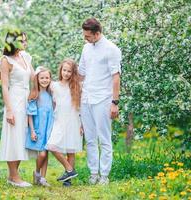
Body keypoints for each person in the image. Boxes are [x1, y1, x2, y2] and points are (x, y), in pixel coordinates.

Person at [79, 18, 122, 185]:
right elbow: (81, 73)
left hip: (103, 99)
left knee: (104, 138)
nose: (85, 39)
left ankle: (104, 175)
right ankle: (93, 173)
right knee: (90, 139)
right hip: (86, 98)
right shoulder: (86, 48)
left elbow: (116, 78)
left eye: (88, 36)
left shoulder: (112, 49)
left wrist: (114, 102)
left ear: (97, 34)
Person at [0, 31, 35, 187]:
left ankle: (14, 175)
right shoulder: (5, 60)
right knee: (13, 136)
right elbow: (5, 87)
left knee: (22, 136)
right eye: (22, 41)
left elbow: (34, 77)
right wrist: (9, 110)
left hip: (26, 99)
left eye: (26, 41)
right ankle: (14, 176)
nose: (25, 44)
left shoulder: (25, 57)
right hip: (14, 99)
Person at [46, 58, 83, 186]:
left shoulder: (76, 87)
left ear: (73, 73)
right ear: (60, 70)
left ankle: (68, 181)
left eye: (69, 71)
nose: (66, 73)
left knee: (70, 150)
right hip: (59, 121)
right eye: (64, 70)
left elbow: (80, 107)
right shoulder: (53, 86)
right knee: (52, 145)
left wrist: (82, 124)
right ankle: (70, 169)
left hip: (73, 120)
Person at [25, 66, 54, 187]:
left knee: (46, 153)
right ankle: (37, 172)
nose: (44, 80)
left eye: (47, 78)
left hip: (49, 127)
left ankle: (43, 178)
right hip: (38, 128)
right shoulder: (34, 94)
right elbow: (30, 115)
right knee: (41, 154)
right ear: (37, 79)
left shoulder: (51, 94)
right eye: (42, 78)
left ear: (50, 79)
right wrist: (32, 131)